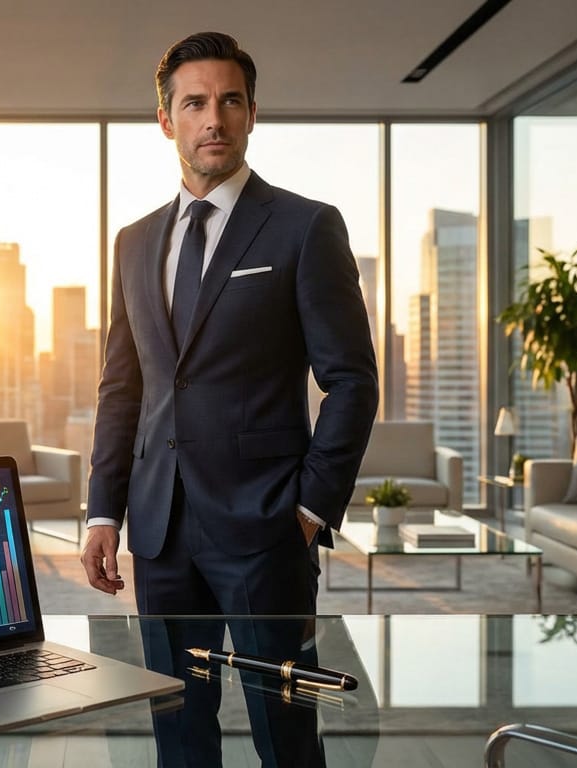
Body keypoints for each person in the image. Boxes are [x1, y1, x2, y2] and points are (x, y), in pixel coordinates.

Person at [80, 32, 378, 765]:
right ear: (166, 119)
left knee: (287, 738)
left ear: (251, 114)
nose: (213, 117)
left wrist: (308, 511)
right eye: (195, 103)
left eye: (230, 101)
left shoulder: (306, 226)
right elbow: (126, 387)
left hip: (267, 530)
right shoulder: (133, 241)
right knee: (179, 737)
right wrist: (102, 510)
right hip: (160, 531)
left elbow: (352, 380)